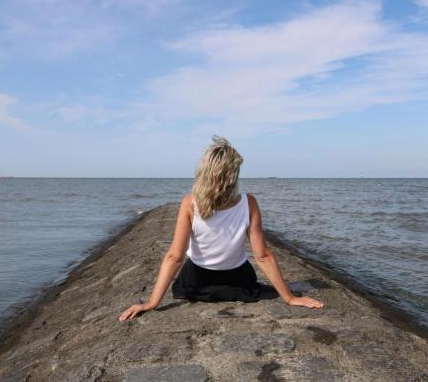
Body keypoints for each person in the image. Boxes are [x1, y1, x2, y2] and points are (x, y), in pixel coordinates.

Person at [119, 136, 323, 322]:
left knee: (187, 270)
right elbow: (263, 257)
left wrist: (152, 303)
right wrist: (288, 297)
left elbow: (175, 257)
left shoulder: (190, 203)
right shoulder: (248, 202)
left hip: (197, 283)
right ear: (233, 175)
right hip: (239, 282)